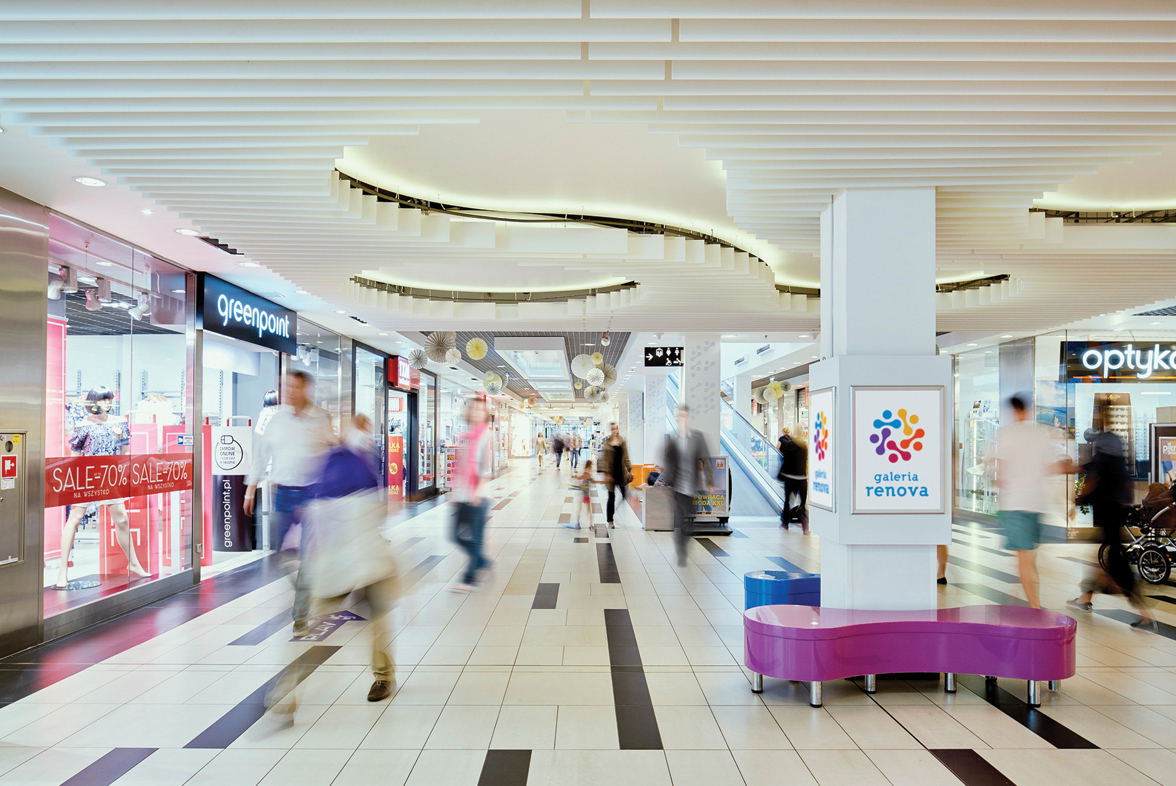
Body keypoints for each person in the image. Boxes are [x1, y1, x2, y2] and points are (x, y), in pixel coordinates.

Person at [267, 414, 400, 715]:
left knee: (378, 619)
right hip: (333, 565)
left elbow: (373, 504)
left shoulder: (348, 460)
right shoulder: (312, 470)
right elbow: (305, 522)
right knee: (318, 625)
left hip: (366, 557)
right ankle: (286, 691)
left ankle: (383, 676)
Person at [245, 370, 335, 638]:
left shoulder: (321, 419)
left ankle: (301, 616)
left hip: (313, 495)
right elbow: (261, 456)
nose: (290, 391)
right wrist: (250, 490)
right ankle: (309, 587)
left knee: (308, 556)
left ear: (307, 389)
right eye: (287, 386)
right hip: (282, 494)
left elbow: (331, 454)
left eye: (296, 387)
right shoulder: (276, 420)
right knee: (281, 553)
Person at [1068, 409, 1158, 630]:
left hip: (1107, 509)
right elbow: (1124, 481)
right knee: (1104, 554)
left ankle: (1146, 616)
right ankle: (1085, 598)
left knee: (1115, 561)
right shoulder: (1116, 448)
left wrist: (1078, 500)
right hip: (1117, 508)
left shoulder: (1102, 446)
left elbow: (1093, 477)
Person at [995, 394, 1071, 609]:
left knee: (1023, 559)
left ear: (1013, 411)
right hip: (1037, 503)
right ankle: (1030, 598)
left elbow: (1001, 471)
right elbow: (1053, 467)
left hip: (1015, 503)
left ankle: (1035, 608)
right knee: (1030, 557)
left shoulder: (1007, 434)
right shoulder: (1040, 433)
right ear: (1027, 410)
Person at [663, 405, 715, 567]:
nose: (682, 419)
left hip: (692, 487)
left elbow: (706, 461)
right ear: (676, 418)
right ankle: (681, 551)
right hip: (677, 487)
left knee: (689, 521)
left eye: (685, 416)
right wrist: (666, 484)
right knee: (679, 521)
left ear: (689, 417)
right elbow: (667, 463)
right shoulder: (673, 438)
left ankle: (683, 545)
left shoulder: (698, 438)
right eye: (680, 416)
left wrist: (710, 482)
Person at [451, 396, 494, 592]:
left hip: (478, 495)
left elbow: (485, 467)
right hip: (462, 493)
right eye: (473, 409)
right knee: (455, 536)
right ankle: (483, 562)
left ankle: (469, 579)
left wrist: (476, 492)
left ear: (484, 414)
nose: (475, 413)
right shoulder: (467, 435)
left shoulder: (485, 435)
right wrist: (455, 491)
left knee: (475, 539)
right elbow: (461, 465)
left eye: (479, 410)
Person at [777, 428, 809, 534]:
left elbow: (784, 457)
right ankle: (804, 525)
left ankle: (785, 523)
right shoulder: (804, 446)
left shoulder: (790, 445)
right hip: (802, 479)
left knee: (788, 501)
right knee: (802, 503)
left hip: (790, 478)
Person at [602, 422, 632, 529]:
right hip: (611, 474)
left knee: (624, 494)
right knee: (611, 497)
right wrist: (606, 473)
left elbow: (626, 457)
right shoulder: (607, 443)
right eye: (612, 429)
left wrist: (630, 469)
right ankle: (610, 520)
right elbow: (604, 460)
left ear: (617, 429)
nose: (613, 431)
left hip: (621, 472)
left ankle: (616, 511)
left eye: (615, 428)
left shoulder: (622, 441)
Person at [566, 459, 599, 530]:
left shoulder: (586, 474)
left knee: (580, 509)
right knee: (587, 510)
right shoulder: (587, 474)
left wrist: (578, 483)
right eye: (592, 466)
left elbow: (579, 479)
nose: (592, 468)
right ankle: (589, 525)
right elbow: (583, 479)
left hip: (582, 495)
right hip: (584, 495)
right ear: (589, 466)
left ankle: (579, 523)